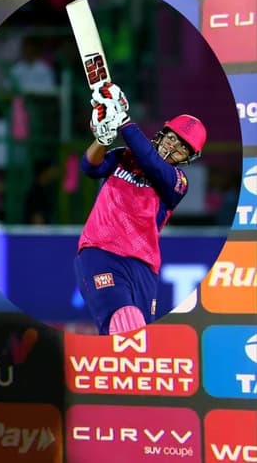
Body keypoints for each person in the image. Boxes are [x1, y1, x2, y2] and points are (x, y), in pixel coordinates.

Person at [73, 82, 207, 335]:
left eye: (182, 148)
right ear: (162, 134)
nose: (173, 147)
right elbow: (89, 167)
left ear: (188, 158)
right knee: (123, 322)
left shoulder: (177, 182)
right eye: (172, 138)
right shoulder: (124, 155)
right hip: (102, 251)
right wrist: (102, 140)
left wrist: (124, 120)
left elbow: (150, 161)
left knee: (140, 338)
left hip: (144, 267)